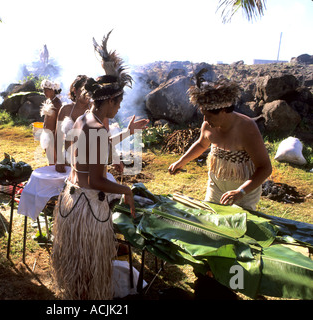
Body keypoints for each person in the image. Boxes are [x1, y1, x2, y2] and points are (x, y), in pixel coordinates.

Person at [51, 31, 148, 300]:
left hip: (72, 201)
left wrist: (127, 132)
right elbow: (95, 180)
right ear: (109, 100)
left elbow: (91, 149)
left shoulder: (85, 119)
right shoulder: (95, 128)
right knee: (88, 272)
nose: (119, 108)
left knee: (80, 267)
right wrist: (126, 190)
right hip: (87, 205)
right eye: (119, 103)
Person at [168, 72, 272, 211]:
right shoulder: (208, 125)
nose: (205, 120)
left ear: (223, 110)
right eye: (204, 115)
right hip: (216, 185)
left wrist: (240, 192)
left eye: (208, 116)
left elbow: (265, 168)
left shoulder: (247, 129)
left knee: (237, 226)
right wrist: (181, 162)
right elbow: (201, 144)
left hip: (244, 190)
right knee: (210, 219)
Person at [39, 79, 62, 164]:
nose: (44, 92)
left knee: (53, 157)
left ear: (52, 90)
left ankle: (55, 174)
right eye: (43, 90)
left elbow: (59, 121)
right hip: (47, 132)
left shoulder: (57, 103)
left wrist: (56, 135)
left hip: (53, 133)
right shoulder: (49, 101)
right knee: (49, 156)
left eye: (46, 90)